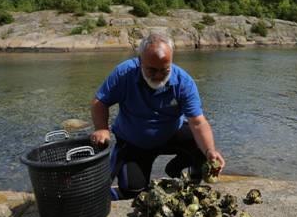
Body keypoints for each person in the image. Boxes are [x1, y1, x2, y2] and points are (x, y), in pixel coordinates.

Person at [91, 33, 225, 199]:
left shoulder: (183, 82)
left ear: (171, 62)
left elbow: (197, 122)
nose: (158, 75)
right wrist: (102, 128)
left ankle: (179, 169)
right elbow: (100, 102)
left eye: (164, 70)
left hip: (170, 134)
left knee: (202, 145)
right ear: (140, 61)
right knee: (133, 191)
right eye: (151, 70)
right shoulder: (124, 73)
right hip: (134, 142)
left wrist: (210, 151)